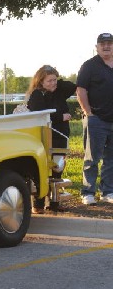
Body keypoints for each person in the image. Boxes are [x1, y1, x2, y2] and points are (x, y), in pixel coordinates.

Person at [26, 65, 77, 213]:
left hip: (60, 137)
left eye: (55, 80)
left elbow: (72, 86)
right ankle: (38, 204)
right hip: (44, 137)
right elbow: (39, 115)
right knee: (40, 170)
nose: (53, 83)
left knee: (58, 168)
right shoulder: (37, 95)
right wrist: (60, 117)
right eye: (49, 81)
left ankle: (54, 203)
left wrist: (57, 81)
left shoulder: (59, 92)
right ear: (40, 81)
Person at [76, 33, 113, 206]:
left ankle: (108, 192)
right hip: (96, 119)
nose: (106, 46)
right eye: (103, 43)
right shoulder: (89, 66)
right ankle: (88, 192)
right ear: (97, 47)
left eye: (109, 43)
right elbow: (81, 90)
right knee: (92, 158)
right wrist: (88, 112)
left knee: (111, 158)